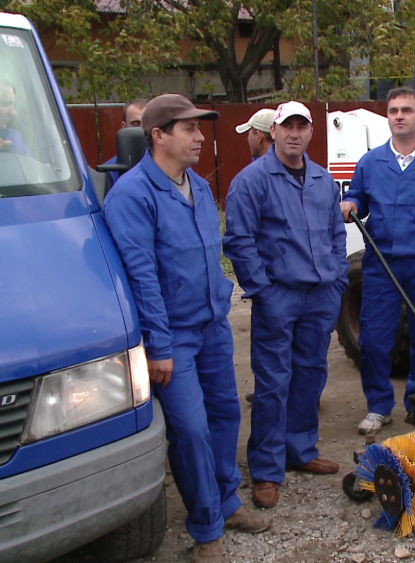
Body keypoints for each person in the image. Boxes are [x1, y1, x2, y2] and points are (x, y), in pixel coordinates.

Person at [103, 94, 271, 563]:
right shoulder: (133, 196)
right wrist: (157, 346)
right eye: (189, 129)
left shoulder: (196, 185)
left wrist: (220, 297)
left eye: (200, 128)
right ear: (158, 135)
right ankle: (206, 527)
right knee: (192, 429)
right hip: (172, 336)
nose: (200, 137)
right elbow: (141, 277)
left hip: (212, 327)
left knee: (225, 416)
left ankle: (228, 500)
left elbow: (209, 254)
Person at [223, 101, 348, 509]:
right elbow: (239, 241)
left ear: (311, 133)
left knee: (311, 374)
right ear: (273, 131)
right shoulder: (252, 181)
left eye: (302, 126)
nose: (294, 133)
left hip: (320, 296)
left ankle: (300, 450)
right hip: (279, 295)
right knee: (274, 382)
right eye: (287, 126)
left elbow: (335, 233)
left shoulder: (323, 181)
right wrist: (262, 289)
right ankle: (266, 468)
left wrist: (337, 278)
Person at [340, 87, 415, 434]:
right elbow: (357, 196)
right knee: (374, 339)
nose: (398, 116)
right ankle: (379, 406)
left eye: (406, 110)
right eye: (393, 111)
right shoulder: (371, 162)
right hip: (381, 263)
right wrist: (352, 204)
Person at [102, 98, 148, 186]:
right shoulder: (109, 173)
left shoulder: (169, 166)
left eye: (147, 123)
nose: (142, 129)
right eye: (135, 124)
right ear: (124, 127)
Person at [0, 81, 29, 156]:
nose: (13, 112)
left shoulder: (13, 139)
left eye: (13, 104)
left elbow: (29, 166)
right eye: (6, 103)